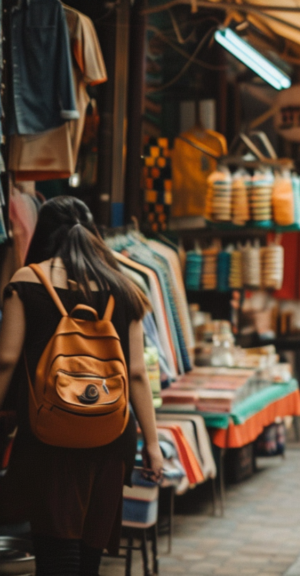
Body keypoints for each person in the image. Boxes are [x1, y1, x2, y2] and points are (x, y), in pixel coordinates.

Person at [0, 196, 163, 576]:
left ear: (43, 235)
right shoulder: (125, 286)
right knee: (88, 554)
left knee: (56, 550)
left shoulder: (27, 281)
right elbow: (137, 373)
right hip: (111, 435)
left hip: (50, 435)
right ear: (94, 234)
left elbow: (6, 359)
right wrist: (151, 445)